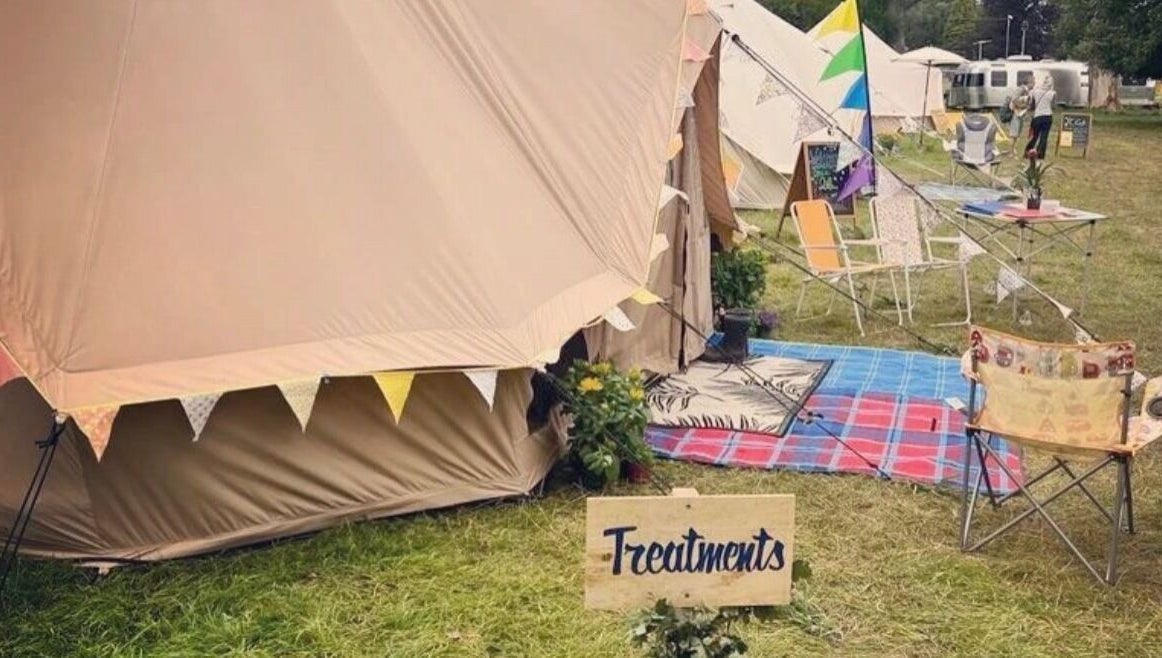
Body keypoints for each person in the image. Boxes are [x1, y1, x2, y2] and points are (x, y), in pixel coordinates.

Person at [1025, 75, 1057, 158]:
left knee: (1035, 136)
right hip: (1047, 116)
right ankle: (1040, 154)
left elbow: (1032, 105)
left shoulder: (1035, 91)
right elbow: (1053, 106)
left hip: (1037, 116)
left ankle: (1028, 151)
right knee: (1044, 136)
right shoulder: (1052, 93)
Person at [1006, 81, 1033, 156]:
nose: (1034, 84)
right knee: (1013, 134)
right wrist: (1023, 106)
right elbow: (1014, 100)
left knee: (1016, 134)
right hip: (1016, 114)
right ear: (1029, 82)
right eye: (1033, 82)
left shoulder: (1027, 91)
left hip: (1020, 114)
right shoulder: (1021, 89)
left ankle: (1013, 149)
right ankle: (1010, 152)